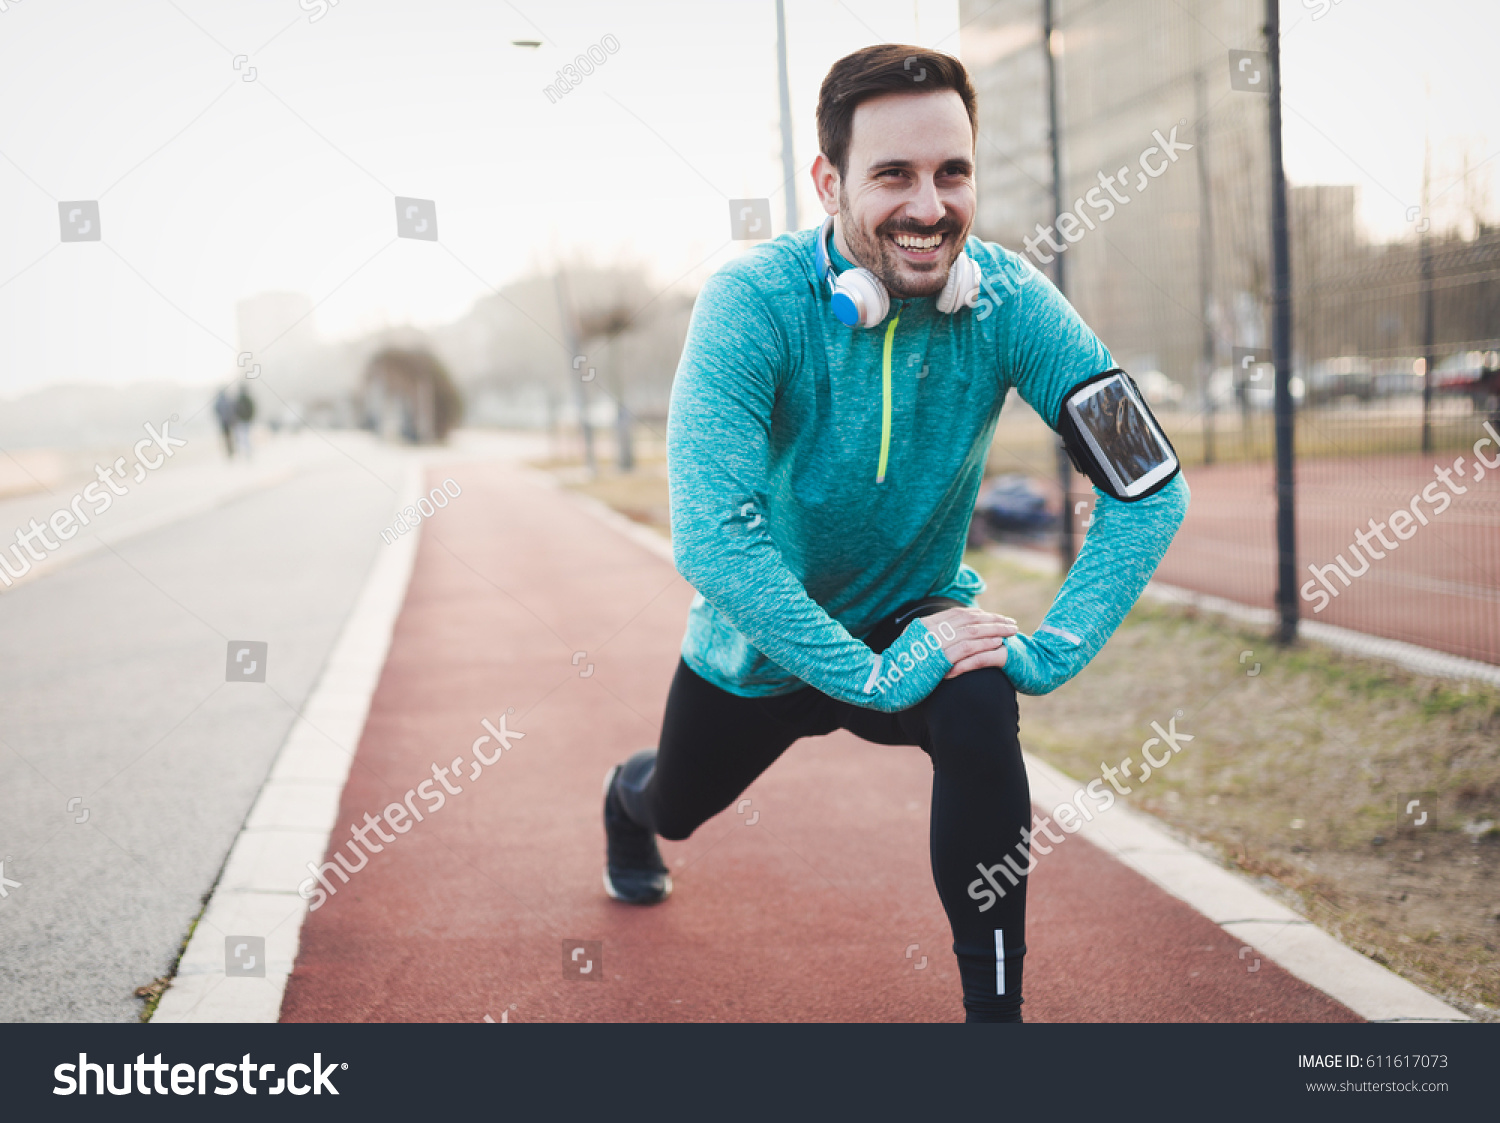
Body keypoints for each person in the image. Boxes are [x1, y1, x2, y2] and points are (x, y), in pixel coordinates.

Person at [600, 44, 1189, 1023]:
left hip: (914, 616)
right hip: (761, 642)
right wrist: (867, 675)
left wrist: (1054, 647)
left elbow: (1148, 488)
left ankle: (994, 1023)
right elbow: (712, 535)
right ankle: (627, 801)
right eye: (894, 175)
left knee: (979, 699)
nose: (929, 206)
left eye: (951, 172)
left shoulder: (1009, 301)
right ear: (829, 180)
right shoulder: (751, 302)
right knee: (679, 808)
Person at [233, 385, 255, 459]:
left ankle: (245, 451)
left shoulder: (240, 400)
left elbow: (251, 409)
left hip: (243, 421)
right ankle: (246, 451)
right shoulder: (242, 400)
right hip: (243, 421)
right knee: (245, 436)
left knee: (243, 437)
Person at [214, 386, 237, 457]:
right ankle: (231, 450)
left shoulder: (218, 402)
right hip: (230, 421)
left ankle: (229, 450)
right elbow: (233, 410)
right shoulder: (228, 400)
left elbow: (216, 411)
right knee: (231, 436)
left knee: (226, 437)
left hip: (223, 422)